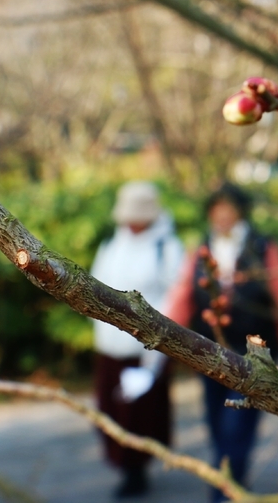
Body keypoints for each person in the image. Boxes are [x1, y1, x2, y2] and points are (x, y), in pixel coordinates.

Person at [167, 183, 278, 501]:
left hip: (251, 357)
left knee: (237, 425)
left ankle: (226, 490)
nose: (222, 217)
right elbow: (182, 294)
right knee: (216, 423)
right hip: (208, 353)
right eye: (217, 210)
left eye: (228, 210)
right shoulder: (202, 249)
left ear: (241, 212)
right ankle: (229, 480)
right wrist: (162, 336)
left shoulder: (262, 247)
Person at [90, 181, 184, 499]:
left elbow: (175, 297)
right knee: (110, 410)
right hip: (110, 347)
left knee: (141, 414)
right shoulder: (111, 245)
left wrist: (159, 346)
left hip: (145, 349)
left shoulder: (166, 247)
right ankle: (122, 465)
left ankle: (136, 470)